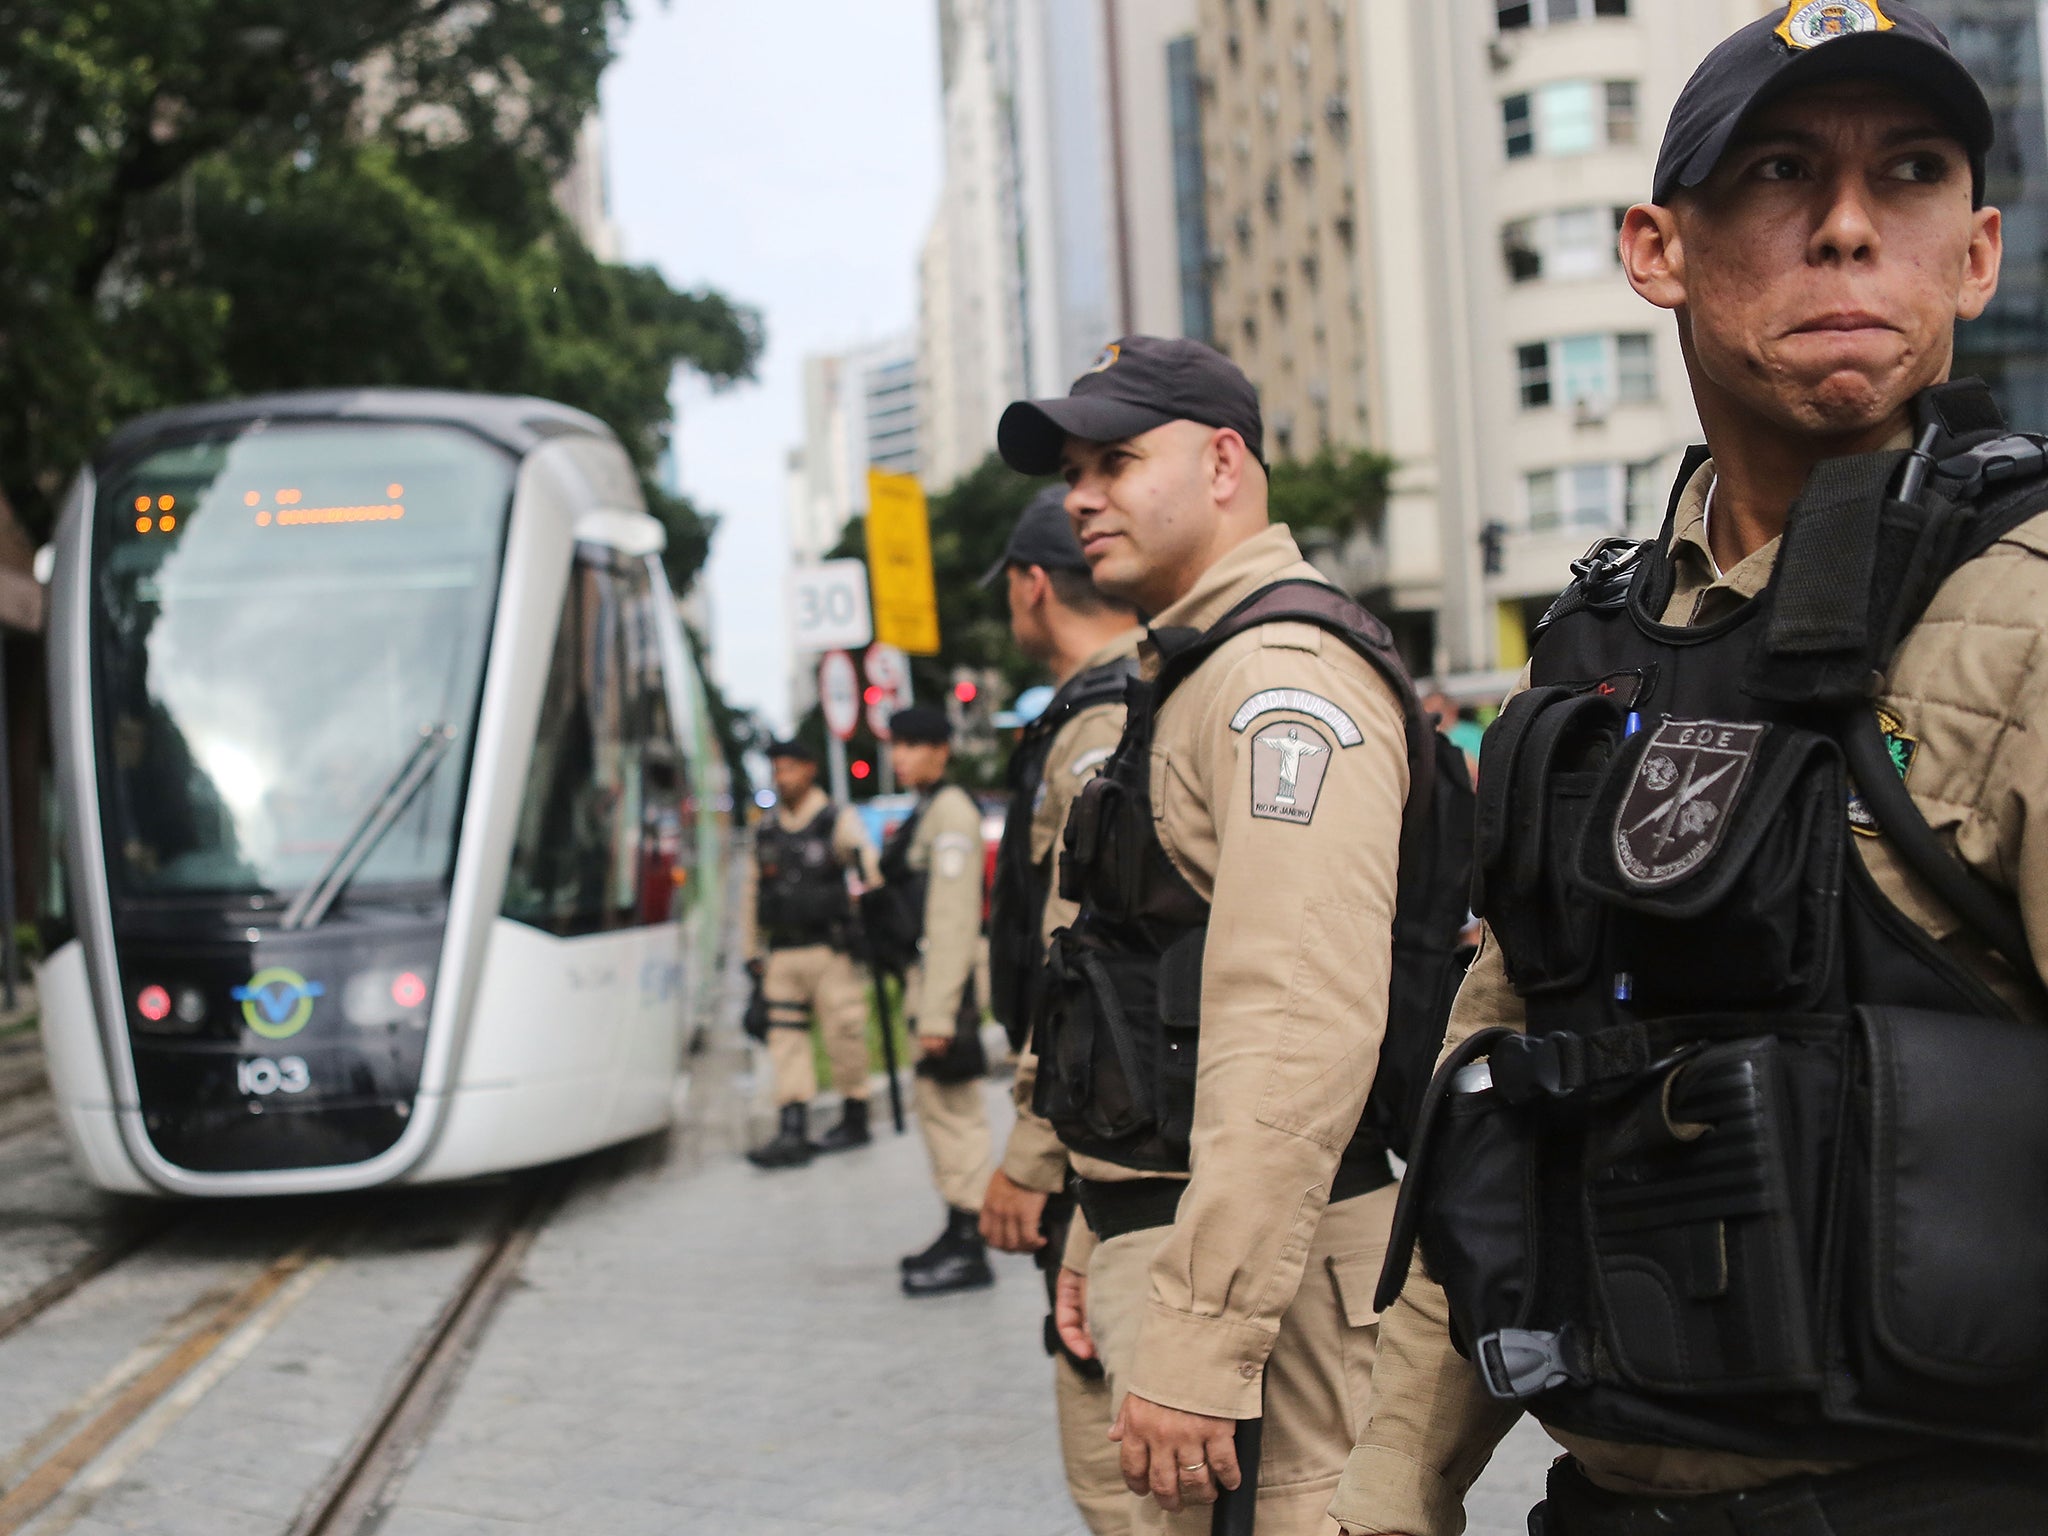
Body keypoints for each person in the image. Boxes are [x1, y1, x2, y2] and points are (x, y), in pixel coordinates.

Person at [1332, 8, 2048, 1534]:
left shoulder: (2028, 611)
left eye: (1909, 175)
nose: (1850, 227)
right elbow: (1499, 1079)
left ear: (1976, 254)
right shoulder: (1603, 640)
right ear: (1657, 250)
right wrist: (1389, 1481)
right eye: (1784, 172)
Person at [996, 334, 1423, 1533]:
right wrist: (1096, 1222)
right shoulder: (1188, 672)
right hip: (1183, 1245)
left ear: (1223, 462)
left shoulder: (1277, 682)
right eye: (1072, 471)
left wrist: (1198, 1337)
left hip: (1263, 1305)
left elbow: (1296, 1029)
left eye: (1116, 461)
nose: (1080, 496)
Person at [978, 486, 1143, 1534]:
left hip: (1109, 1142)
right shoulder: (1153, 688)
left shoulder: (1097, 725)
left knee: (1119, 1473)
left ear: (1032, 585)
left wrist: (1032, 1152)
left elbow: (1083, 963)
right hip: (1136, 1125)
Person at [872, 705, 997, 1297]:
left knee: (954, 1113)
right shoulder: (928, 807)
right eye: (896, 746)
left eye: (912, 745)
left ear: (941, 750)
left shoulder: (950, 811)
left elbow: (950, 919)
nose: (900, 757)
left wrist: (940, 1014)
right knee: (938, 1111)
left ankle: (971, 1242)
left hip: (946, 986)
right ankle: (956, 1225)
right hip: (930, 984)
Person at [741, 740, 881, 1170]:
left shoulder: (835, 819)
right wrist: (751, 952)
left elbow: (867, 873)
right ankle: (792, 1127)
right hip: (782, 953)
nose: (782, 778)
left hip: (829, 949)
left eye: (790, 769)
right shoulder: (765, 830)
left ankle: (855, 1117)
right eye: (777, 770)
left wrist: (864, 924)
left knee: (844, 1033)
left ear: (809, 769)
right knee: (785, 1041)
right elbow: (752, 893)